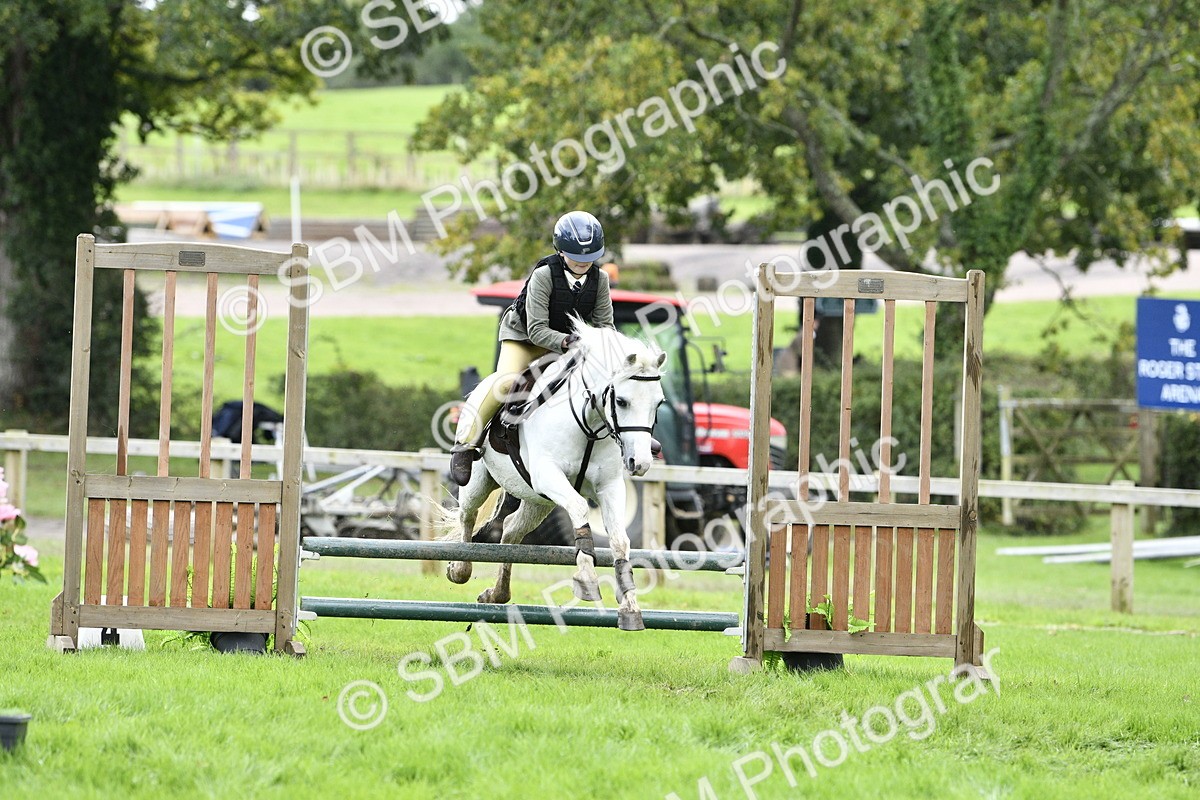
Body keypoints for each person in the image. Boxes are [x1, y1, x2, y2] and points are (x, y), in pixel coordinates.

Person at [449, 211, 615, 486]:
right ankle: (466, 444)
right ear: (560, 251)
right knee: (505, 384)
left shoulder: (601, 281)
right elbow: (537, 329)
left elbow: (605, 326)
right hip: (524, 338)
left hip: (568, 343)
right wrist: (566, 342)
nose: (584, 263)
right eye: (577, 257)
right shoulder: (543, 275)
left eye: (590, 258)